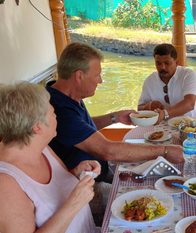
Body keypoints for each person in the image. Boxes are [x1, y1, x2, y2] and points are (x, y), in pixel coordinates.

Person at [0, 82, 119, 233]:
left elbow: (48, 190)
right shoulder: (3, 183)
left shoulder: (37, 145)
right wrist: (75, 203)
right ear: (37, 127)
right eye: (52, 112)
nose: (55, 116)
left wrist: (76, 173)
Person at [46, 42, 184, 183]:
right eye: (97, 75)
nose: (100, 81)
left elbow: (81, 128)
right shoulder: (59, 109)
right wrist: (165, 151)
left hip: (100, 171)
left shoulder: (65, 96)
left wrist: (114, 118)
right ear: (79, 76)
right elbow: (108, 151)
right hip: (82, 185)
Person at [138, 43, 196, 123]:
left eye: (167, 63)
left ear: (176, 62)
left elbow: (190, 104)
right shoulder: (150, 80)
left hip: (190, 125)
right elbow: (140, 109)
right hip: (160, 127)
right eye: (158, 63)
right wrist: (149, 106)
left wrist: (165, 113)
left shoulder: (188, 75)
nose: (162, 67)